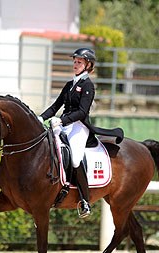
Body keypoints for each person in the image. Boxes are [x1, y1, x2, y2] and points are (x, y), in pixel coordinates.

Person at [38, 47, 96, 218]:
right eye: (75, 61)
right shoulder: (70, 85)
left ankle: (85, 201)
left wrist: (62, 120)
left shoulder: (88, 86)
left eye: (79, 62)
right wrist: (41, 118)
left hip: (78, 127)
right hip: (63, 124)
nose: (75, 64)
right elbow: (56, 106)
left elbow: (82, 112)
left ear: (88, 65)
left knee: (76, 159)